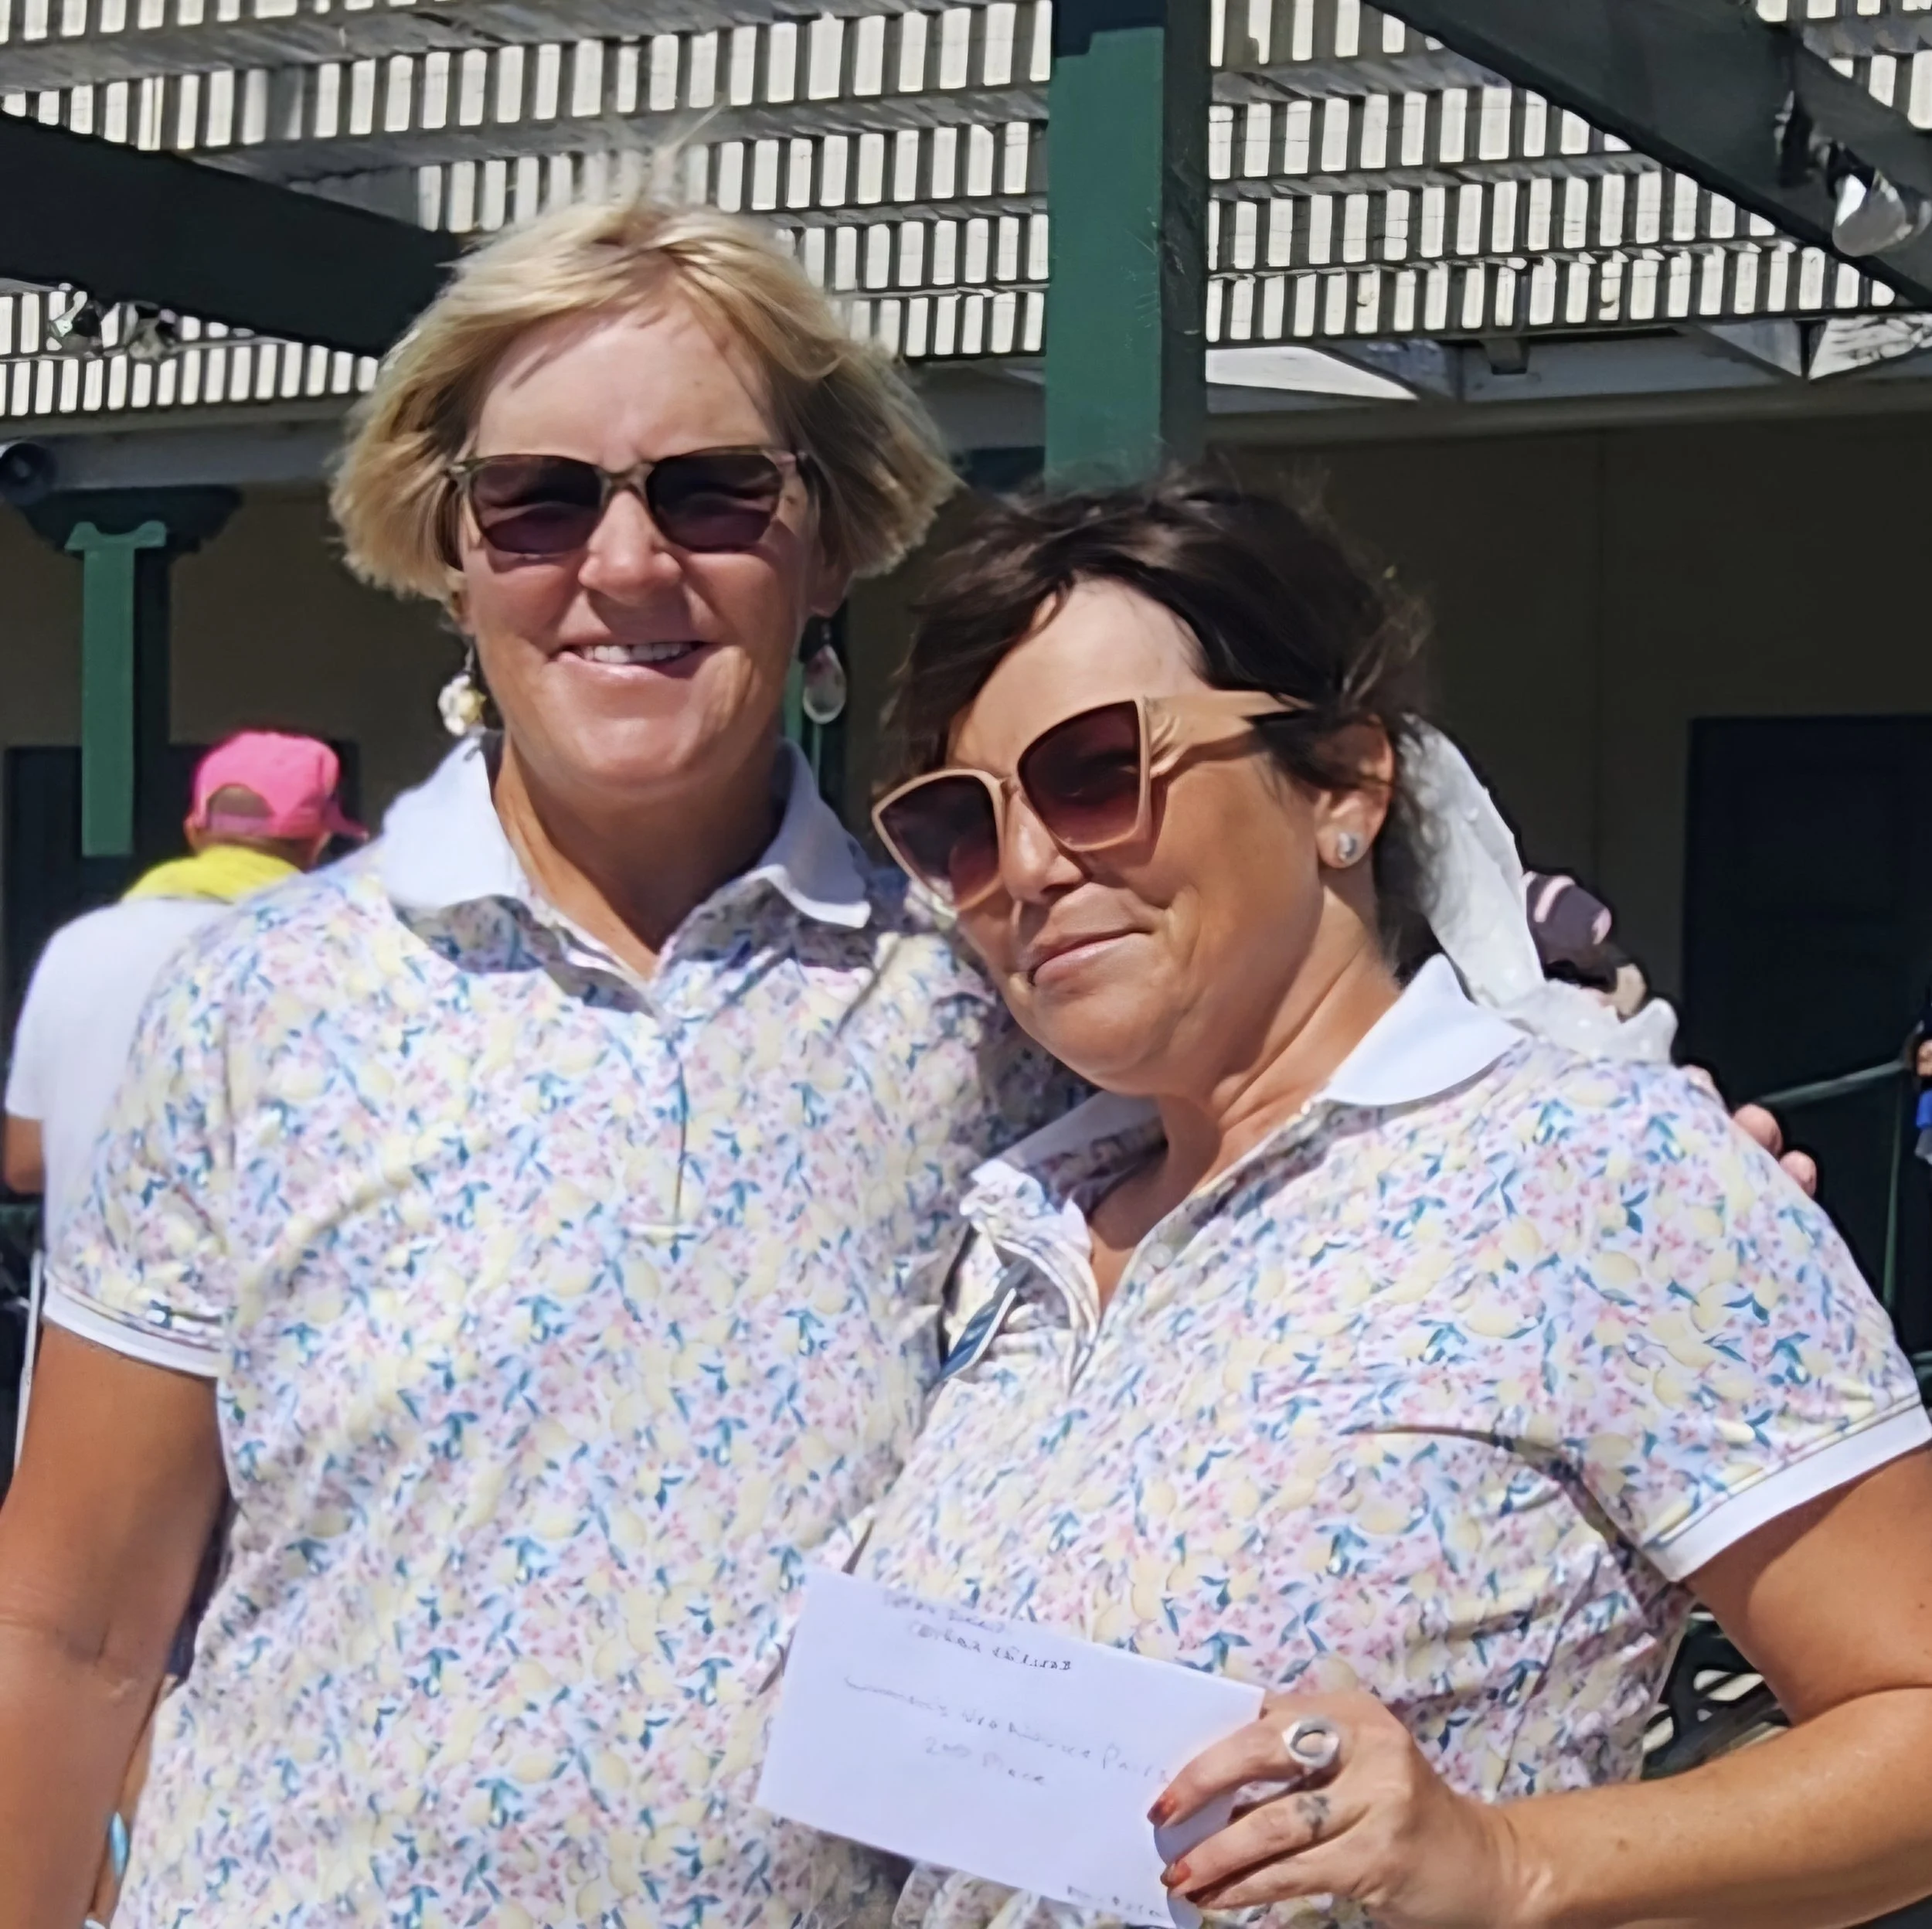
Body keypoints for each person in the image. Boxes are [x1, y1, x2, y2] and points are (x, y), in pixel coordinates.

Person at [0, 196, 1073, 1928]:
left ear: (830, 538)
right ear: (450, 552)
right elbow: (75, 1624)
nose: (627, 565)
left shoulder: (978, 1010)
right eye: (540, 501)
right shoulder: (256, 1011)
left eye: (711, 491)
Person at [838, 478, 1932, 1929]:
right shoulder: (1014, 1239)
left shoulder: (1590, 1171)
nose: (1030, 866)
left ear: (1345, 787)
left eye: (1097, 770)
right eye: (961, 828)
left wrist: (1509, 1861)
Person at [2, 731, 360, 1243]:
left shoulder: (75, 947)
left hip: (89, 1312)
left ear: (195, 830)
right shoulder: (338, 957)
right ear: (320, 841)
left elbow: (25, 1163)